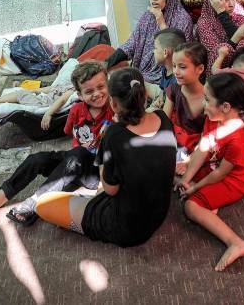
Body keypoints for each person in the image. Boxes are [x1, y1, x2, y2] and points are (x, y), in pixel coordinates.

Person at [34, 68, 178, 247]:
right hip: (158, 213)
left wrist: (107, 146)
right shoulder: (162, 117)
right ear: (145, 93)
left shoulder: (114, 135)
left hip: (127, 227)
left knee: (43, 204)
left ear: (114, 103)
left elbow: (110, 190)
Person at [0, 62, 113, 225]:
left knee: (79, 154)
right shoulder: (76, 110)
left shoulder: (114, 107)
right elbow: (72, 135)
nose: (97, 94)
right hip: (76, 160)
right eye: (89, 91)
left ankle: (31, 206)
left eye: (101, 87)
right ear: (80, 95)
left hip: (99, 172)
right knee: (36, 159)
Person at [177, 72, 244, 272]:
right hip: (211, 168)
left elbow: (220, 174)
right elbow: (204, 147)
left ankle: (236, 243)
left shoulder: (238, 139)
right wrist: (186, 179)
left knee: (190, 207)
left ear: (226, 106)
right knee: (177, 175)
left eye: (207, 100)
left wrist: (195, 188)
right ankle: (208, 204)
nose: (203, 104)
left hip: (231, 181)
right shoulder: (214, 117)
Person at [104, 0, 193, 83]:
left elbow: (179, 53)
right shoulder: (147, 16)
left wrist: (161, 22)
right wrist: (106, 63)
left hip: (169, 76)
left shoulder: (183, 19)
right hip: (143, 72)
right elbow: (131, 44)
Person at [162, 41, 208, 170]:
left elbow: (206, 137)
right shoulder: (174, 89)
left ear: (200, 69)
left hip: (196, 145)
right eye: (174, 66)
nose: (176, 71)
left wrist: (188, 161)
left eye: (182, 67)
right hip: (175, 137)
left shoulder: (209, 100)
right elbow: (164, 122)